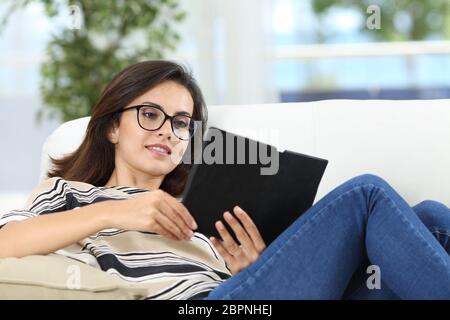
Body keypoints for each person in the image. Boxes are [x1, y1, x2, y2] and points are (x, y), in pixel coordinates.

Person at [0, 60, 449, 300]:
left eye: (181, 123)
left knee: (428, 217)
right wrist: (118, 210)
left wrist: (253, 267)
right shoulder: (73, 195)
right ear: (113, 126)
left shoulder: (203, 207)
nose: (167, 131)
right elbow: (6, 244)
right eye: (150, 114)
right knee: (365, 196)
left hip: (246, 292)